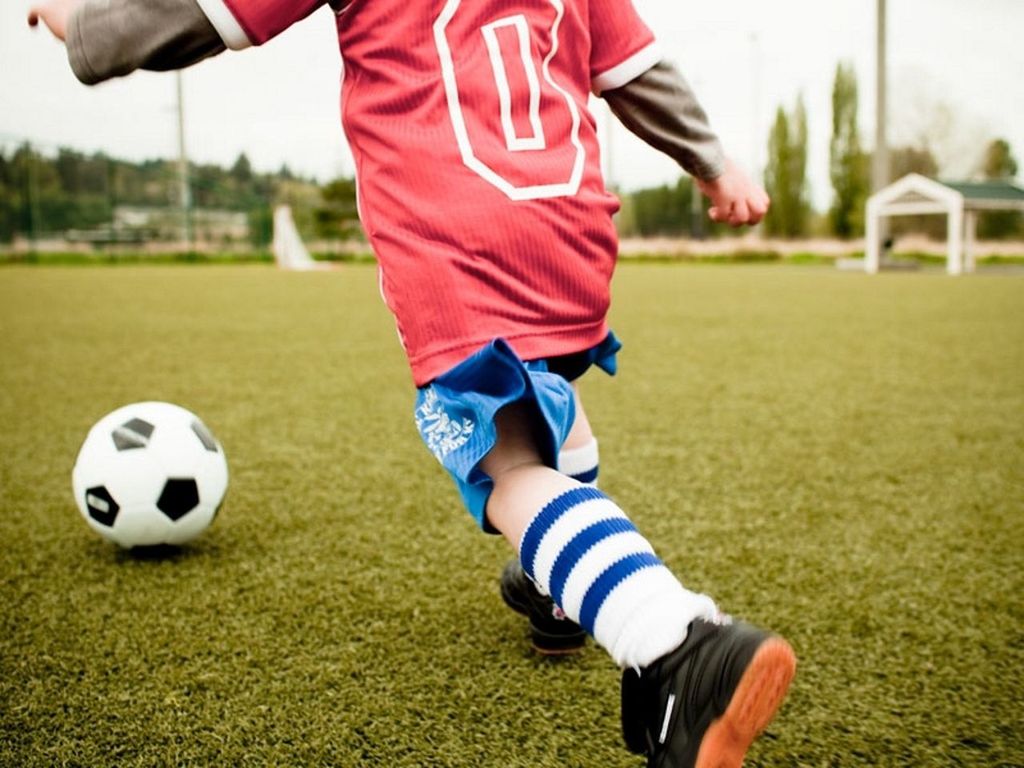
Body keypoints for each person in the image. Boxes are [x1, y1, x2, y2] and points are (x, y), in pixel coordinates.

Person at [29, 0, 794, 764]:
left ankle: (678, 643)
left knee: (509, 465)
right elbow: (637, 71)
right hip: (570, 226)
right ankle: (557, 588)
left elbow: (200, 14)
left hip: (456, 238)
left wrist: (83, 26)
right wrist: (715, 164)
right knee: (541, 389)